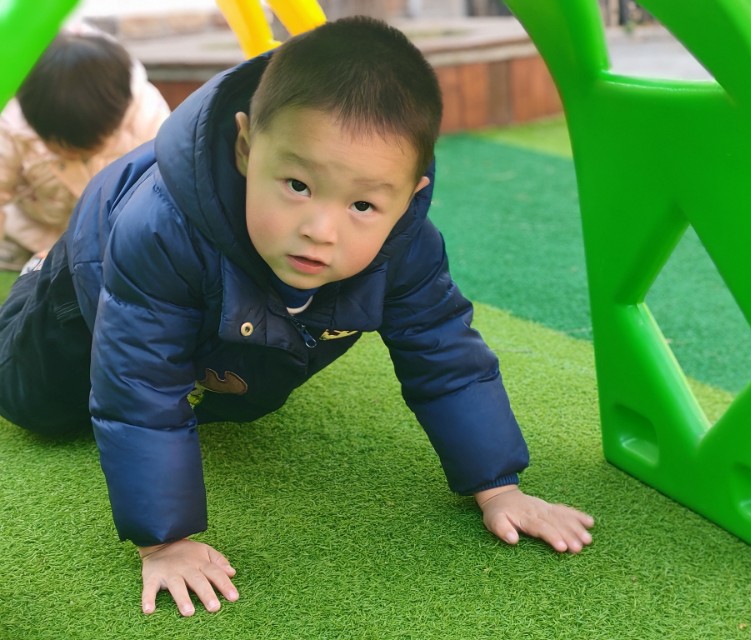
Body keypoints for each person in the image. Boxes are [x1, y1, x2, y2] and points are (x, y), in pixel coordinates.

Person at [0, 16, 594, 617]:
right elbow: (140, 385)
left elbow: (445, 354)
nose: (321, 229)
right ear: (245, 149)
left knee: (240, 388)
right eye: (298, 186)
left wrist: (497, 485)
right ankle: (37, 276)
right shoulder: (159, 231)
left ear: (408, 197)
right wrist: (166, 542)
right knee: (36, 406)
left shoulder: (405, 247)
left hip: (222, 281)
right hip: (94, 274)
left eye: (362, 204)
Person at [0, 25, 170, 271]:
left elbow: (164, 191)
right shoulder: (11, 124)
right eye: (59, 146)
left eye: (87, 148)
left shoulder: (147, 118)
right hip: (38, 225)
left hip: (115, 228)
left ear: (117, 120)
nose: (72, 155)